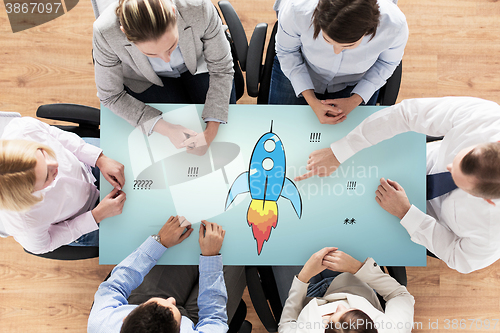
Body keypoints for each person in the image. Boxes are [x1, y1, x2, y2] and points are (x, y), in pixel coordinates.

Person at [296, 97, 500, 273]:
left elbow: (459, 257)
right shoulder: (487, 118)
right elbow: (406, 114)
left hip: (420, 222)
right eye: (457, 160)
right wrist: (339, 152)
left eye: (457, 179)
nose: (448, 166)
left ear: (489, 201)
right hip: (412, 159)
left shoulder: (493, 232)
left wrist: (406, 213)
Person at [93, 0, 235, 156]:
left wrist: (210, 133)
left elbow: (222, 68)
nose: (165, 59)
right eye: (151, 54)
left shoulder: (198, 7)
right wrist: (166, 128)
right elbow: (110, 96)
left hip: (199, 63)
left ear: (174, 14)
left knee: (225, 132)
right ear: (125, 33)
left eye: (172, 46)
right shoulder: (105, 32)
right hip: (146, 80)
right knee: (173, 146)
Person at [88, 217, 246, 333]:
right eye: (172, 304)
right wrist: (211, 258)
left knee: (185, 241)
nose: (172, 300)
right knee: (237, 247)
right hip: (199, 324)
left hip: (144, 305)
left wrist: (159, 242)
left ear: (125, 319)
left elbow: (114, 286)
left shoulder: (102, 323)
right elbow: (214, 319)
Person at [269, 0, 408, 125]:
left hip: (356, 81)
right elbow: (287, 52)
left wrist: (355, 100)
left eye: (349, 46)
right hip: (302, 67)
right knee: (280, 126)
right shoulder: (296, 8)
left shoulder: (394, 25)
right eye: (327, 40)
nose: (336, 51)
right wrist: (311, 100)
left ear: (370, 30)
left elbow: (386, 63)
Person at [0, 117, 126, 254]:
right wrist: (96, 216)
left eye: (43, 153)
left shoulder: (22, 129)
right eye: (47, 176)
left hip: (84, 160)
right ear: (30, 193)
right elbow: (43, 245)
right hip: (86, 215)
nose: (56, 164)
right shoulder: (23, 222)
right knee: (143, 234)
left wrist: (99, 158)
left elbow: (57, 135)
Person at [277, 247, 414, 333]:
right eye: (354, 312)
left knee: (282, 244)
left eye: (330, 319)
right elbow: (399, 294)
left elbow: (286, 324)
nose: (340, 305)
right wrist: (356, 267)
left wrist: (303, 276)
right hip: (351, 279)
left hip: (305, 297)